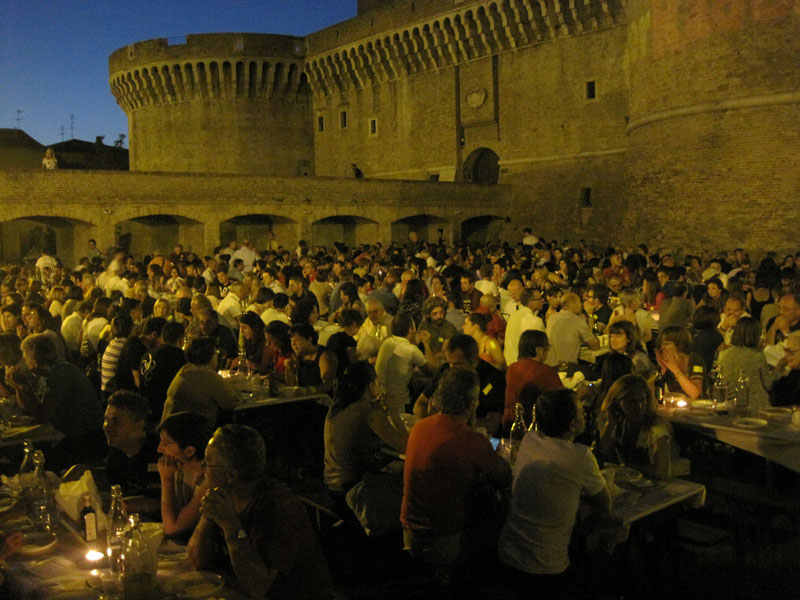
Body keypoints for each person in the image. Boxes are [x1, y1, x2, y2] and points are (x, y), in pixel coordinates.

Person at [187, 424, 334, 599]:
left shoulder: (280, 509)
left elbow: (262, 589)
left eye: (207, 463)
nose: (202, 469)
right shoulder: (224, 498)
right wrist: (208, 515)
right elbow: (197, 561)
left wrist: (232, 527)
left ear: (231, 476)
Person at [498, 389, 610, 595]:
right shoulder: (581, 457)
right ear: (573, 424)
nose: (584, 413)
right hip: (546, 568)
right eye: (579, 411)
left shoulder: (529, 441)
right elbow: (605, 504)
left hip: (508, 554)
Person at [401, 367, 512, 567]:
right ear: (472, 404)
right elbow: (504, 477)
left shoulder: (420, 427)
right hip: (443, 537)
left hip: (410, 530)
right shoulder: (472, 441)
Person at [9, 333, 105, 469]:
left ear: (35, 357)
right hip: (74, 437)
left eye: (26, 357)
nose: (24, 360)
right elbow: (28, 408)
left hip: (86, 441)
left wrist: (24, 386)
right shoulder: (48, 374)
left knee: (29, 458)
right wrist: (19, 386)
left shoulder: (61, 373)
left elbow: (42, 415)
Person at [324, 361, 407, 503]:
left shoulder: (337, 406)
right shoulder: (369, 412)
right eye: (377, 382)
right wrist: (393, 411)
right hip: (355, 491)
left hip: (333, 486)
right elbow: (405, 446)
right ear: (370, 386)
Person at [413, 334, 505, 436]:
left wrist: (449, 422)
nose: (452, 369)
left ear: (474, 359)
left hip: (480, 437)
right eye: (449, 363)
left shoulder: (493, 378)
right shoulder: (445, 370)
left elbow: (493, 424)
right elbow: (419, 405)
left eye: (458, 364)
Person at [599, 374, 675, 478]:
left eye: (642, 400)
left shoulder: (656, 428)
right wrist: (610, 425)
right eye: (631, 402)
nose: (639, 406)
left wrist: (629, 467)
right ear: (617, 403)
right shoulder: (614, 423)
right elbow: (600, 453)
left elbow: (662, 472)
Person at [157, 412, 213, 539]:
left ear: (189, 451)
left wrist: (166, 479)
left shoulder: (209, 478)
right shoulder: (180, 468)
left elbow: (172, 528)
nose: (159, 449)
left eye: (166, 443)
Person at [104, 390, 161, 511]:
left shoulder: (159, 451)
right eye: (106, 420)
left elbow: (161, 503)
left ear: (139, 425)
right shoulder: (116, 452)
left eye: (116, 422)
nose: (108, 427)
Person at [163, 337, 238, 428]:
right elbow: (232, 402)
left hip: (173, 428)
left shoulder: (185, 370)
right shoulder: (207, 376)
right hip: (198, 432)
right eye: (215, 353)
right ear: (210, 356)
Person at [503, 330, 563, 430]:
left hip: (509, 422)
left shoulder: (512, 368)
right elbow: (562, 398)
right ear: (538, 350)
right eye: (547, 348)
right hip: (533, 426)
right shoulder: (545, 371)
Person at [375, 313, 434, 413]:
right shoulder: (410, 350)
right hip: (400, 403)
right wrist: (426, 343)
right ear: (411, 329)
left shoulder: (387, 342)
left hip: (381, 398)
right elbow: (432, 371)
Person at [718, 317, 775, 412]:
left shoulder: (723, 355)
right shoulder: (757, 356)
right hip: (756, 405)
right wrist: (778, 369)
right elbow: (768, 384)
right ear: (756, 335)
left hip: (730, 404)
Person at [139, 321, 186, 421]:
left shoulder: (147, 354)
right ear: (181, 340)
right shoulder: (180, 357)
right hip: (165, 411)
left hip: (144, 407)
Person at [545, 292, 600, 367]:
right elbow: (595, 346)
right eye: (579, 303)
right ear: (573, 305)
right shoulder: (578, 321)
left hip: (549, 366)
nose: (581, 305)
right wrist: (590, 315)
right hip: (566, 367)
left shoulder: (551, 318)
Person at [285, 322, 337, 395]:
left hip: (321, 400)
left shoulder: (325, 356)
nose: (293, 344)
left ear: (309, 340)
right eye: (291, 340)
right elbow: (290, 384)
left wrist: (306, 391)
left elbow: (327, 385)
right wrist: (290, 369)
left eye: (297, 340)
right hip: (304, 398)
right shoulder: (299, 355)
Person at [504, 287, 546, 366]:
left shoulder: (514, 315)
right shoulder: (534, 320)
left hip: (509, 363)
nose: (542, 300)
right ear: (531, 303)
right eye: (539, 298)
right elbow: (541, 347)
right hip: (523, 366)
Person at [690, 305, 723, 374]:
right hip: (706, 372)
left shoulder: (689, 333)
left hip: (690, 369)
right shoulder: (715, 336)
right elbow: (723, 355)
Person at [771, 331, 800, 406]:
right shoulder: (794, 373)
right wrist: (778, 369)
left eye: (790, 351)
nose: (786, 356)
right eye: (786, 351)